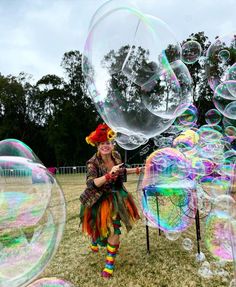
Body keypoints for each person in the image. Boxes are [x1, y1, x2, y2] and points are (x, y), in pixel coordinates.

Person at [79, 123, 141, 278]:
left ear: (112, 143)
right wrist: (108, 175)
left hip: (117, 196)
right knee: (97, 226)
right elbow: (91, 183)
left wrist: (139, 170)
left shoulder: (117, 156)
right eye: (101, 144)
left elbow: (121, 172)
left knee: (115, 228)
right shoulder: (92, 162)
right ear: (97, 146)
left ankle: (109, 264)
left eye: (108, 143)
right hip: (98, 198)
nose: (105, 146)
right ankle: (95, 238)